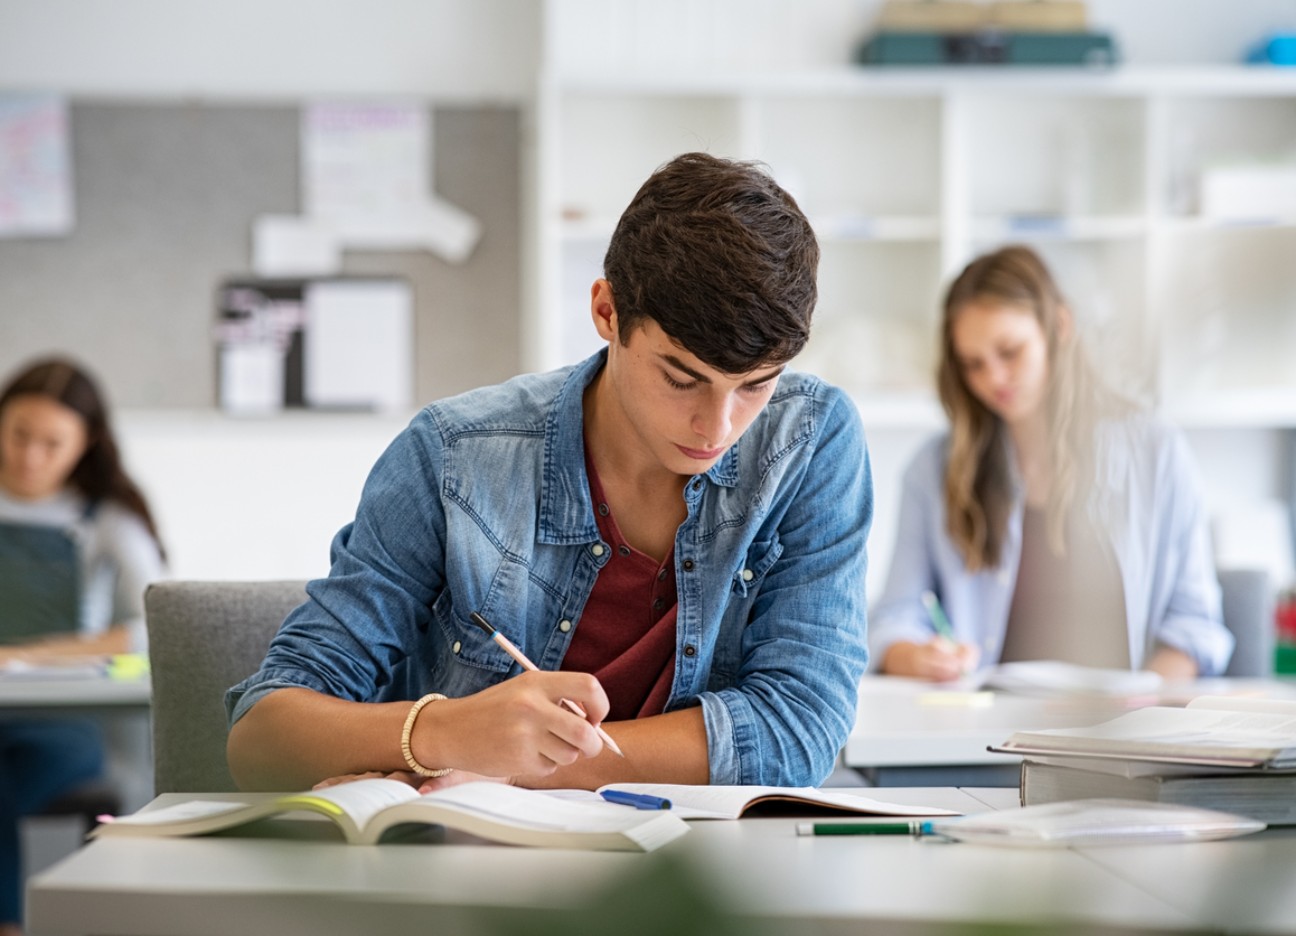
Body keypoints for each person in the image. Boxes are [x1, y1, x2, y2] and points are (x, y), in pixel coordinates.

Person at [226, 152, 873, 795]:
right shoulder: (453, 455)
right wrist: (445, 731)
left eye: (756, 386)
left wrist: (510, 769)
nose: (718, 425)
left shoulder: (811, 440)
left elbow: (799, 730)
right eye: (681, 378)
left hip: (695, 874)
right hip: (481, 869)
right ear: (606, 312)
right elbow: (261, 737)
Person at [870, 245, 1233, 682]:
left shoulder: (1156, 451)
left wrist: (1142, 712)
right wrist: (916, 656)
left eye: (1010, 352)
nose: (993, 379)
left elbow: (1194, 626)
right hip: (984, 738)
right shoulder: (934, 469)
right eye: (973, 365)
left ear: (1059, 326)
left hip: (1122, 735)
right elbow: (893, 618)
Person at [0, 356, 166, 936]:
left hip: (67, 725)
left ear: (86, 444)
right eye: (19, 434)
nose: (30, 457)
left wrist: (24, 655)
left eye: (52, 443)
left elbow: (155, 624)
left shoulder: (108, 521)